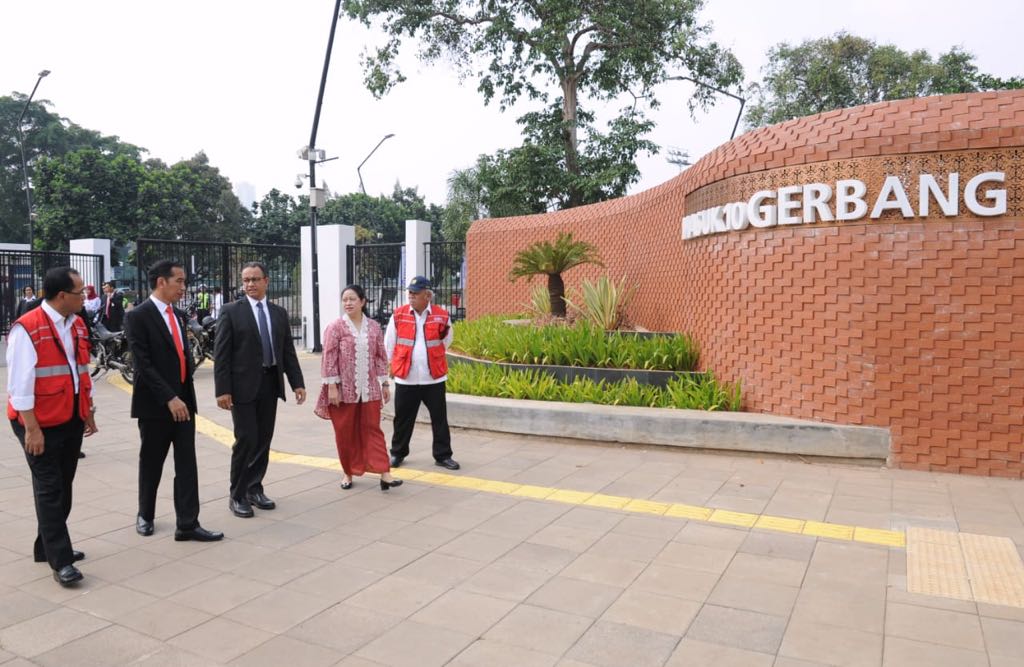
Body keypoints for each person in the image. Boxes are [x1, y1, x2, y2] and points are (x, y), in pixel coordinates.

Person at [6, 267, 98, 586]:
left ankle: (45, 546)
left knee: (65, 485)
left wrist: (88, 410)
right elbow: (19, 386)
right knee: (50, 488)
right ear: (62, 296)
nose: (84, 297)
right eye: (80, 293)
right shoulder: (27, 328)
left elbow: (80, 370)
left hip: (69, 416)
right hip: (37, 422)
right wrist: (31, 429)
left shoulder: (77, 325)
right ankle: (61, 561)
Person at [124, 260, 223, 543]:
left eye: (184, 281)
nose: (183, 287)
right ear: (161, 282)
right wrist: (169, 397)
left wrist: (182, 397)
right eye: (178, 281)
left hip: (185, 403)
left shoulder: (179, 316)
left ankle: (188, 524)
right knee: (152, 461)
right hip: (156, 405)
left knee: (187, 464)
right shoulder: (138, 316)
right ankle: (146, 514)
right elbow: (143, 365)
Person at [215, 261, 305, 518]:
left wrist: (296, 382)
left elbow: (287, 349)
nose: (250, 285)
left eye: (255, 279)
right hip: (241, 388)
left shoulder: (278, 313)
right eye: (246, 280)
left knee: (264, 439)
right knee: (246, 439)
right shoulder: (231, 311)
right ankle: (238, 494)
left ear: (266, 281)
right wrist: (222, 389)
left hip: (269, 384)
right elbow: (221, 355)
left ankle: (255, 488)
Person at [315, 285, 402, 491]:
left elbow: (380, 356)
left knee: (373, 430)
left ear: (362, 301)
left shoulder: (373, 327)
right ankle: (348, 472)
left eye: (352, 299)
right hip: (343, 391)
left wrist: (385, 384)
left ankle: (385, 472)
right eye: (345, 299)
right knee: (345, 433)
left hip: (370, 389)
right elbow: (328, 358)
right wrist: (332, 388)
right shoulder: (335, 327)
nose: (348, 303)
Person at [384, 275, 459, 471]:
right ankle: (397, 453)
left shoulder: (441, 316)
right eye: (410, 293)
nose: (411, 296)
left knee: (439, 418)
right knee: (402, 419)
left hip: (433, 377)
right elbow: (389, 343)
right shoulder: (398, 315)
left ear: (428, 295)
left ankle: (443, 455)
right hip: (406, 378)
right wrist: (392, 365)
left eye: (415, 293)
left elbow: (447, 341)